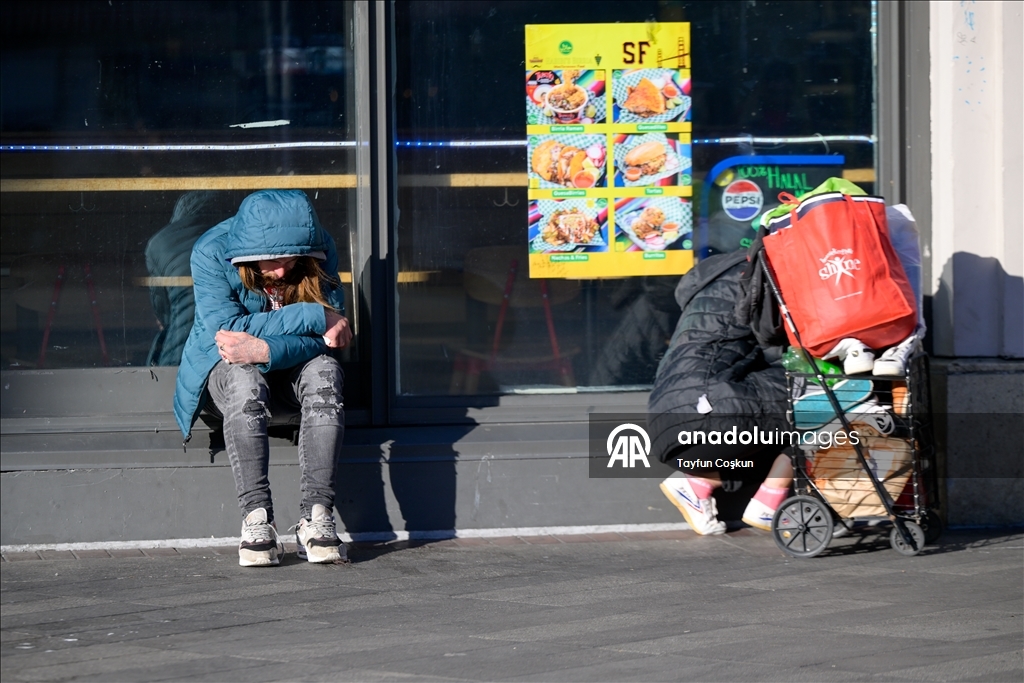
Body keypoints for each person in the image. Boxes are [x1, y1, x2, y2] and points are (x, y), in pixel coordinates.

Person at [172, 190, 353, 566]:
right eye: (272, 260)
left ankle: (317, 518)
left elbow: (330, 342)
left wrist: (266, 350)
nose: (284, 270)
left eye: (291, 259)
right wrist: (314, 316)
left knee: (326, 373)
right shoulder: (210, 252)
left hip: (292, 371)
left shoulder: (318, 247)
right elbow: (228, 330)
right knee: (245, 381)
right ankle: (257, 519)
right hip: (223, 368)